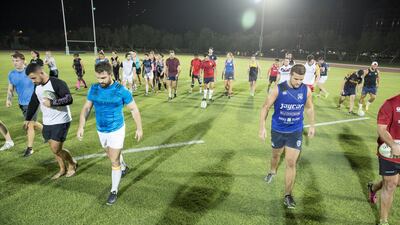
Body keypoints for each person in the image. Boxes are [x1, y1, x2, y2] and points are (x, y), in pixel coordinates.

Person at [77, 62, 143, 205]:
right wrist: (81, 126)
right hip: (101, 130)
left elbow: (134, 110)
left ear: (111, 74)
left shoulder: (121, 90)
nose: (100, 81)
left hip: (116, 129)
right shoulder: (94, 89)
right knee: (112, 156)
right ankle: (124, 166)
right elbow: (87, 108)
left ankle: (114, 190)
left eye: (103, 78)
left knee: (114, 161)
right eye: (98, 78)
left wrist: (139, 128)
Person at [259, 64, 315, 209]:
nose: (298, 82)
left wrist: (312, 125)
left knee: (291, 162)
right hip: (278, 129)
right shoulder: (278, 89)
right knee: (276, 156)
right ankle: (272, 171)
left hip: (295, 131)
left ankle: (288, 195)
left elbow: (309, 108)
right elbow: (265, 107)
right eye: (296, 78)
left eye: (301, 79)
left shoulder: (306, 90)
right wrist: (262, 127)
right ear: (290, 74)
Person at [25, 63, 77, 179]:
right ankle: (62, 169)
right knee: (54, 150)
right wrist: (28, 119)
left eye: (34, 78)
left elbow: (69, 98)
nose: (33, 81)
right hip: (47, 121)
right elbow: (34, 102)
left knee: (56, 148)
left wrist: (52, 103)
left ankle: (72, 164)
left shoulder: (57, 83)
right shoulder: (37, 86)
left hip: (61, 120)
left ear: (41, 72)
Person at [367, 94, 400, 225]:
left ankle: (373, 188)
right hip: (389, 151)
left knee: (397, 182)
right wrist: (393, 145)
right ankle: (383, 221)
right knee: (390, 184)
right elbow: (381, 128)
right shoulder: (391, 104)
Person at [6, 51, 43, 157]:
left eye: (17, 60)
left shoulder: (29, 72)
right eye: (13, 61)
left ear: (23, 60)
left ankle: (29, 148)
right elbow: (10, 87)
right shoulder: (11, 74)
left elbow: (40, 82)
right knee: (33, 123)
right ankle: (47, 132)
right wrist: (9, 99)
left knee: (29, 125)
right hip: (22, 103)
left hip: (33, 102)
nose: (15, 63)